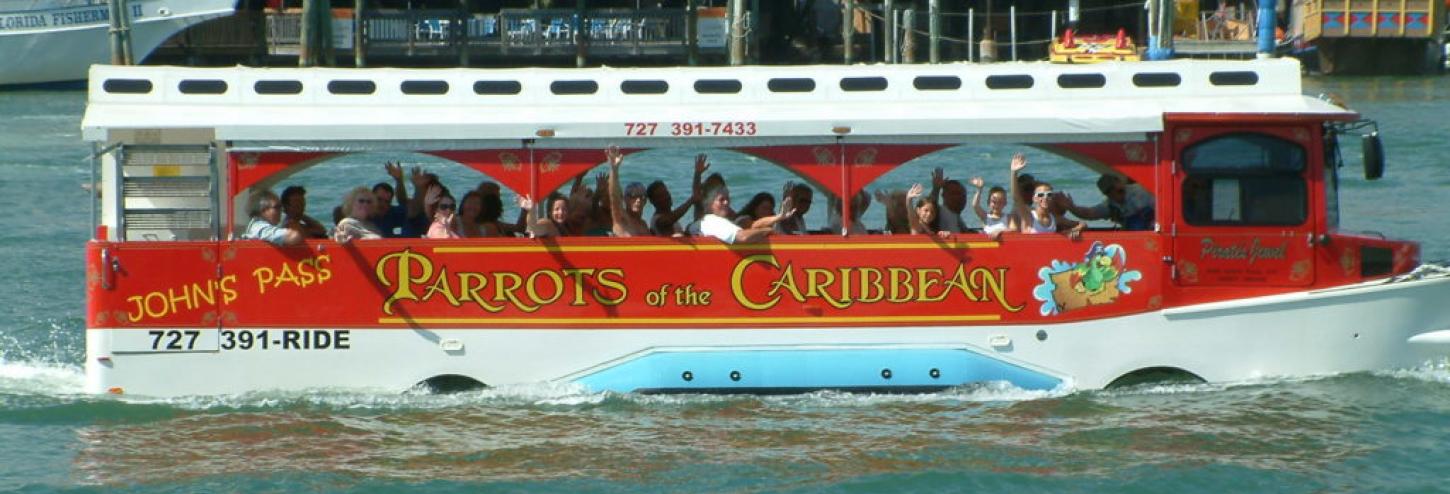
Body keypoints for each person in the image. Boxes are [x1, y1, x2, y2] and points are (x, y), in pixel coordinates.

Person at [1010, 154, 1084, 240]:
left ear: (1051, 198)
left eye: (1048, 194)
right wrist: (1014, 172)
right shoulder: (1029, 216)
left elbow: (1082, 224)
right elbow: (1016, 198)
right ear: (1034, 198)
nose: (1044, 198)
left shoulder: (1054, 218)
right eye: (1040, 195)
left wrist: (1075, 230)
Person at [694, 184, 795, 244]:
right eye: (721, 200)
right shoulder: (712, 221)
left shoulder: (705, 221)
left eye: (728, 199)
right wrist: (768, 230)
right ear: (709, 204)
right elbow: (743, 237)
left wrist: (780, 216)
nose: (726, 202)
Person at [1060, 174, 1157, 230]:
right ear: (1107, 194)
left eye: (1118, 189)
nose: (1115, 193)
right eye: (1110, 191)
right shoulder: (1111, 205)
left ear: (1120, 183)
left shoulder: (1142, 191)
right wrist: (1071, 207)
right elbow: (1089, 213)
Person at [647, 153, 706, 236]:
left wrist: (697, 174)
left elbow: (696, 195)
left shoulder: (670, 216)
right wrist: (691, 200)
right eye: (660, 196)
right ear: (653, 201)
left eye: (666, 193)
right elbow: (670, 219)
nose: (666, 197)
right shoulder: (658, 220)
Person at [603, 145, 651, 237]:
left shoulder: (644, 225)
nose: (638, 200)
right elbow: (615, 198)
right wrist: (614, 169)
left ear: (645, 201)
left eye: (642, 197)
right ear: (625, 199)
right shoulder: (621, 219)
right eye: (633, 196)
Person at [372, 162, 412, 237]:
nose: (382, 204)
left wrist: (399, 180)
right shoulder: (362, 212)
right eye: (379, 199)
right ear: (371, 197)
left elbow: (404, 203)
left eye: (387, 202)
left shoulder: (393, 213)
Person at [928, 167, 971, 233]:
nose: (958, 197)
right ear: (943, 195)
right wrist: (936, 189)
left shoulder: (956, 216)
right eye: (954, 193)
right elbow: (930, 208)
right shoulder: (941, 212)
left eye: (963, 194)